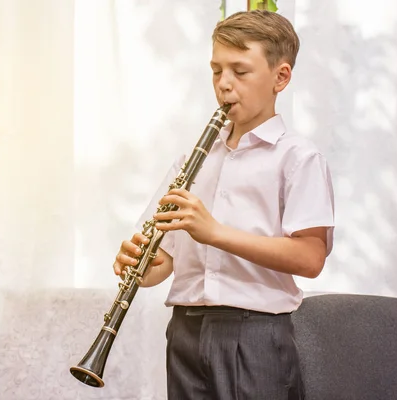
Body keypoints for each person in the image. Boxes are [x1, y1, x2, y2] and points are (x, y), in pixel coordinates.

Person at [113, 10, 335, 400]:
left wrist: (215, 232)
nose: (224, 85)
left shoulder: (297, 158)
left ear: (280, 77)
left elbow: (310, 257)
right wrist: (140, 264)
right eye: (216, 71)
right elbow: (163, 261)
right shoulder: (192, 159)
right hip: (185, 330)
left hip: (255, 334)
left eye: (240, 71)